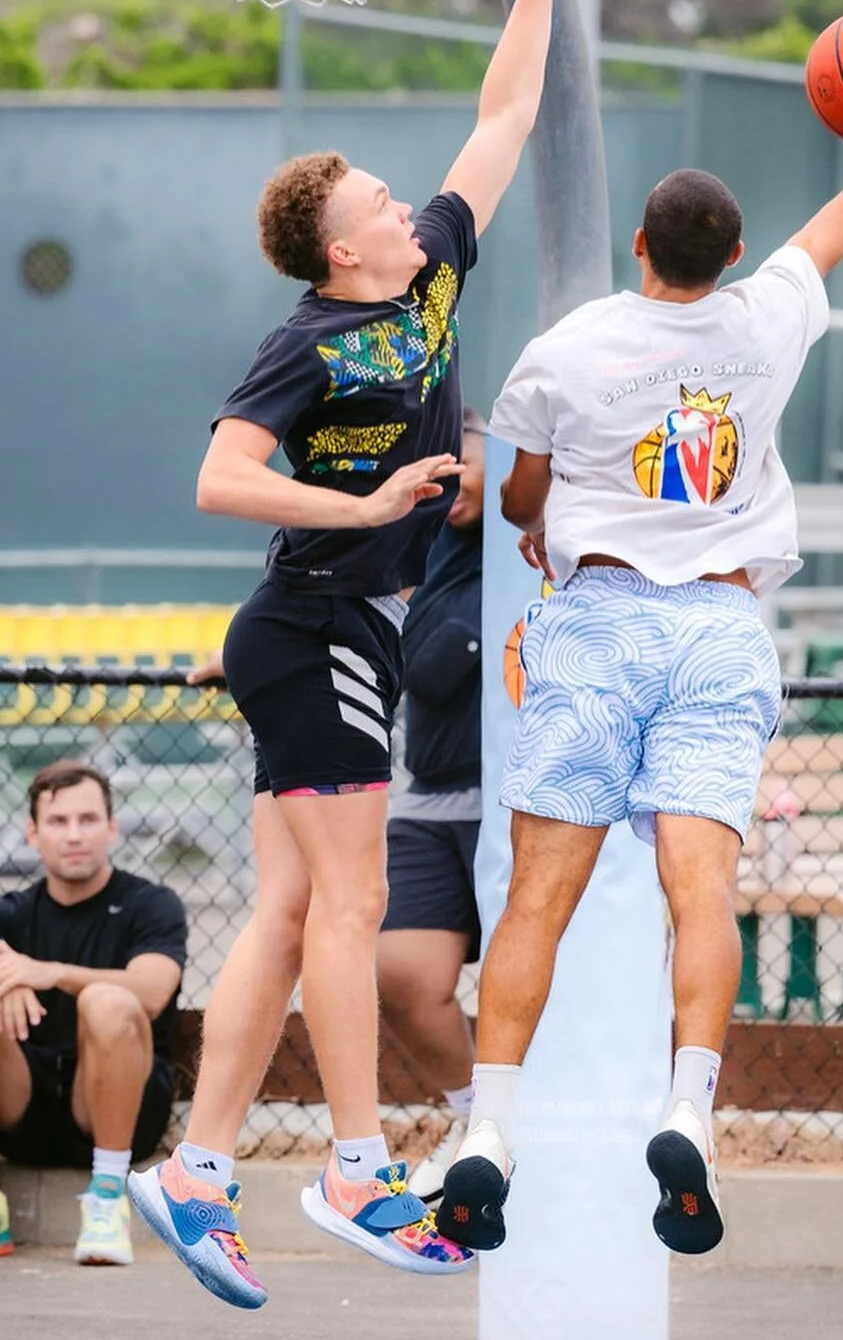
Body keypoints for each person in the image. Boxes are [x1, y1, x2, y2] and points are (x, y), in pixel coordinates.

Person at [129, 0, 572, 1311]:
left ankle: (196, 1167)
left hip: (336, 632)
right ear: (342, 241)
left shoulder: (432, 272)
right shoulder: (311, 337)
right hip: (313, 621)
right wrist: (370, 495)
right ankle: (356, 1160)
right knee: (354, 901)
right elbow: (219, 478)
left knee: (283, 912)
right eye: (383, 194)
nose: (406, 195)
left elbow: (504, 112)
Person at [435, 117, 843, 1259]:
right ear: (734, 253)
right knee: (701, 895)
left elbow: (518, 502)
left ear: (637, 246)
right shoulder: (766, 321)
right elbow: (832, 235)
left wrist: (551, 514)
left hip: (600, 619)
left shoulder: (567, 348)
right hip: (719, 624)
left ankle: (493, 1129)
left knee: (534, 902)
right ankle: (689, 1111)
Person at [0, 760, 187, 1267]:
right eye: (58, 822)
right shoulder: (9, 912)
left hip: (117, 1111)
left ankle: (109, 1202)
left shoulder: (151, 904)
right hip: (25, 1104)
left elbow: (152, 990)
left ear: (111, 828)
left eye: (88, 820)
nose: (74, 835)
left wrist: (49, 973)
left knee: (105, 1000)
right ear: (33, 833)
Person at [377, 410, 486, 1206]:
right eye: (432, 471)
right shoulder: (416, 543)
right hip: (429, 797)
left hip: (528, 804)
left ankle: (548, 1132)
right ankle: (479, 1121)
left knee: (549, 988)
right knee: (404, 976)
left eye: (462, 463)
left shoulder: (543, 538)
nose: (444, 484)